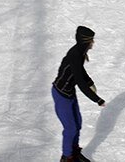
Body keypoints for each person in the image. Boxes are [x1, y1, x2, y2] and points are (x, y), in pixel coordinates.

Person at [51, 25, 105, 162]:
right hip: (61, 94)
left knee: (78, 124)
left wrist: (90, 82)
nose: (93, 43)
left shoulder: (80, 53)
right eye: (91, 40)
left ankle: (73, 151)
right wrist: (97, 99)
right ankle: (67, 157)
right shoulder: (75, 55)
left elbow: (80, 72)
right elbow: (80, 81)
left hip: (69, 93)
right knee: (70, 128)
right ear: (85, 41)